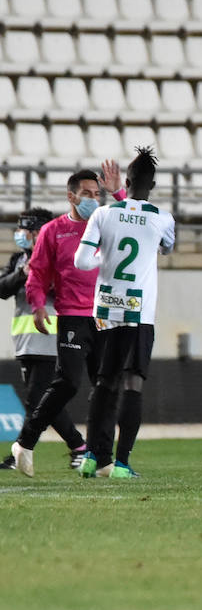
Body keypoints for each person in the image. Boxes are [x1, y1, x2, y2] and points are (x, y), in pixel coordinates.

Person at [9, 161, 125, 477]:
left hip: (104, 317)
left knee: (106, 387)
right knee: (68, 383)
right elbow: (38, 273)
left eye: (97, 193)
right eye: (86, 193)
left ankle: (102, 460)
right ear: (71, 197)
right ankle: (25, 442)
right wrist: (37, 305)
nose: (93, 198)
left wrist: (119, 192)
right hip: (72, 317)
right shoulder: (53, 231)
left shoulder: (105, 225)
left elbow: (133, 219)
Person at [73, 147, 177, 477]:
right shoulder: (162, 218)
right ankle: (121, 463)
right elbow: (167, 246)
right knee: (132, 384)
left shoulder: (102, 215)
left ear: (127, 181)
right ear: (153, 184)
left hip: (105, 308)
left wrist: (106, 258)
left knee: (104, 382)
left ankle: (92, 456)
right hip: (138, 311)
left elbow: (82, 262)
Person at [0, 208, 86, 472]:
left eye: (24, 229)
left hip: (49, 336)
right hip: (26, 341)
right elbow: (2, 288)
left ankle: (23, 451)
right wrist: (23, 273)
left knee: (38, 398)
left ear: (39, 231)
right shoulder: (17, 260)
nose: (19, 234)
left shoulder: (59, 256)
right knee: (44, 401)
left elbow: (65, 287)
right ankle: (80, 448)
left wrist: (39, 275)